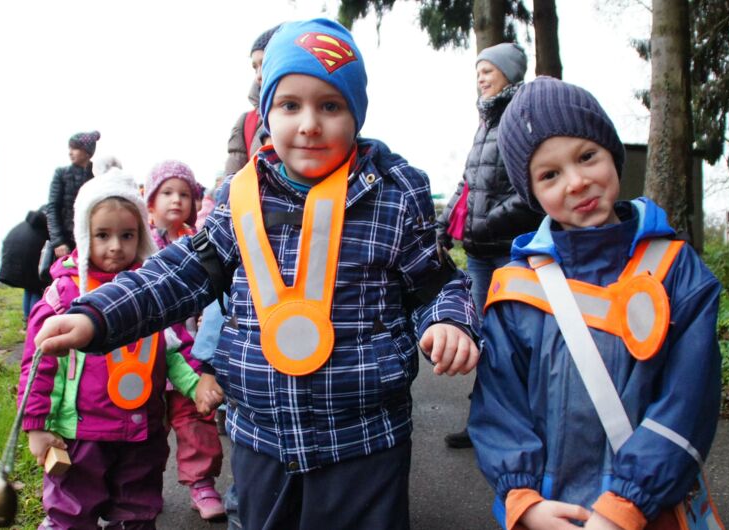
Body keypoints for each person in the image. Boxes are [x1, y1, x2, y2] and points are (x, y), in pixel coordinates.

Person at [33, 18, 481, 529]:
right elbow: (178, 275)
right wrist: (97, 315)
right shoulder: (240, 196)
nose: (309, 124)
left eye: (330, 105)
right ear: (267, 111)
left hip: (363, 436)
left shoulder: (396, 194)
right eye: (290, 105)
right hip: (261, 436)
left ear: (357, 114)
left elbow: (436, 281)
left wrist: (448, 320)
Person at [469, 77, 722, 530]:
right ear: (531, 193)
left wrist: (627, 504)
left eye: (587, 156)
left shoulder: (675, 269)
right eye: (550, 175)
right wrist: (523, 501)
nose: (577, 181)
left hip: (650, 511)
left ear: (612, 153)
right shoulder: (515, 288)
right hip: (553, 513)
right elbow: (499, 406)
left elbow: (689, 400)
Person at [19, 170, 211, 529]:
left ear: (141, 235)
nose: (115, 247)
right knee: (73, 509)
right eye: (102, 235)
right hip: (81, 434)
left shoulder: (152, 295)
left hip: (142, 429)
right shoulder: (64, 296)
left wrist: (196, 383)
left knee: (138, 507)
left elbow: (174, 349)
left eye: (127, 235)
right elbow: (37, 364)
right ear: (82, 236)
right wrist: (36, 425)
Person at [437, 43, 543, 449]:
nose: (480, 78)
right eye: (477, 71)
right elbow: (467, 184)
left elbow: (533, 187)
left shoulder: (523, 117)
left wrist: (488, 221)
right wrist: (443, 228)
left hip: (510, 249)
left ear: (510, 74)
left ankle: (526, 424)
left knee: (515, 336)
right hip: (480, 252)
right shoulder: (484, 122)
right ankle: (483, 422)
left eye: (488, 71)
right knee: (487, 336)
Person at [144, 159, 226, 520]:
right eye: (167, 193)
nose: (176, 200)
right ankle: (143, 487)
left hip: (187, 349)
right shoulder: (139, 244)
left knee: (195, 418)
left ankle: (202, 483)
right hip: (145, 353)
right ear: (150, 202)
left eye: (184, 194)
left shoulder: (199, 243)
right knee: (146, 426)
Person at [224, 25, 279, 176]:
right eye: (255, 67)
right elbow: (232, 182)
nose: (259, 75)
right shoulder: (246, 122)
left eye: (265, 63)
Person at [46, 130, 101, 260]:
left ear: (87, 151)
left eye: (75, 148)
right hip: (66, 244)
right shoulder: (61, 174)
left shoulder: (99, 176)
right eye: (70, 148)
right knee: (65, 276)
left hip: (92, 241)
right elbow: (52, 208)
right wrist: (59, 241)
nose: (70, 152)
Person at [0, 205, 49, 322]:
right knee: (37, 286)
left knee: (29, 286)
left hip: (15, 256)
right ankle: (34, 321)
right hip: (28, 257)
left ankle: (27, 318)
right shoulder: (45, 226)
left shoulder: (29, 225)